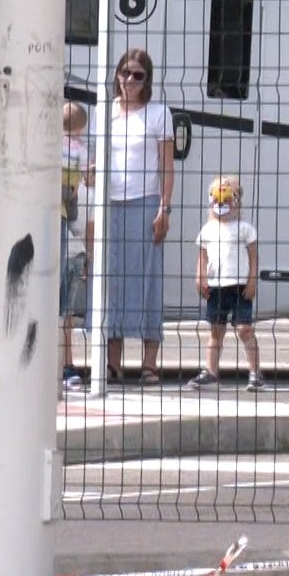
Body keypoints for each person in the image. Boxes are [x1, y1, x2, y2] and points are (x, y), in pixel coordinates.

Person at [99, 47, 174, 386]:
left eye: (137, 75)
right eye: (124, 73)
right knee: (112, 281)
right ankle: (113, 363)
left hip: (146, 202)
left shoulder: (159, 114)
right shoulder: (105, 112)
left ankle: (149, 363)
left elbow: (167, 167)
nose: (129, 80)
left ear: (147, 81)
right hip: (110, 203)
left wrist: (164, 208)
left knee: (148, 278)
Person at [185, 175, 265, 392]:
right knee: (215, 330)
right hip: (216, 287)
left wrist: (252, 281)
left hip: (239, 287)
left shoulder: (245, 229)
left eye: (230, 194)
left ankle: (255, 373)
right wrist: (200, 276)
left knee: (244, 329)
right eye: (219, 194)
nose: (224, 200)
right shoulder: (208, 230)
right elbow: (202, 256)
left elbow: (253, 257)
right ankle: (211, 371)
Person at [58, 102, 94, 391]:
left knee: (57, 310)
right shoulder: (82, 158)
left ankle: (59, 363)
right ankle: (66, 365)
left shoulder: (49, 151)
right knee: (65, 311)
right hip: (70, 247)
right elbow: (89, 224)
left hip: (58, 246)